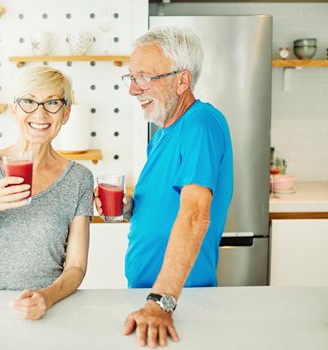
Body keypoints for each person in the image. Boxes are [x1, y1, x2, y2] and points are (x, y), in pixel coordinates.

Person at [95, 26, 233, 347]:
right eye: (131, 78)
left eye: (144, 77)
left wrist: (162, 302)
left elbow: (195, 214)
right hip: (148, 297)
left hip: (178, 301)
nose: (133, 90)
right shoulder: (160, 137)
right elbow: (164, 206)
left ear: (181, 81)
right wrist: (128, 208)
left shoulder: (201, 122)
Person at [0, 66, 93, 320]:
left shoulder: (79, 178)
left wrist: (46, 297)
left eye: (53, 103)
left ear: (66, 113)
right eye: (28, 101)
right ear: (14, 110)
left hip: (48, 310)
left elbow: (76, 266)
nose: (40, 113)